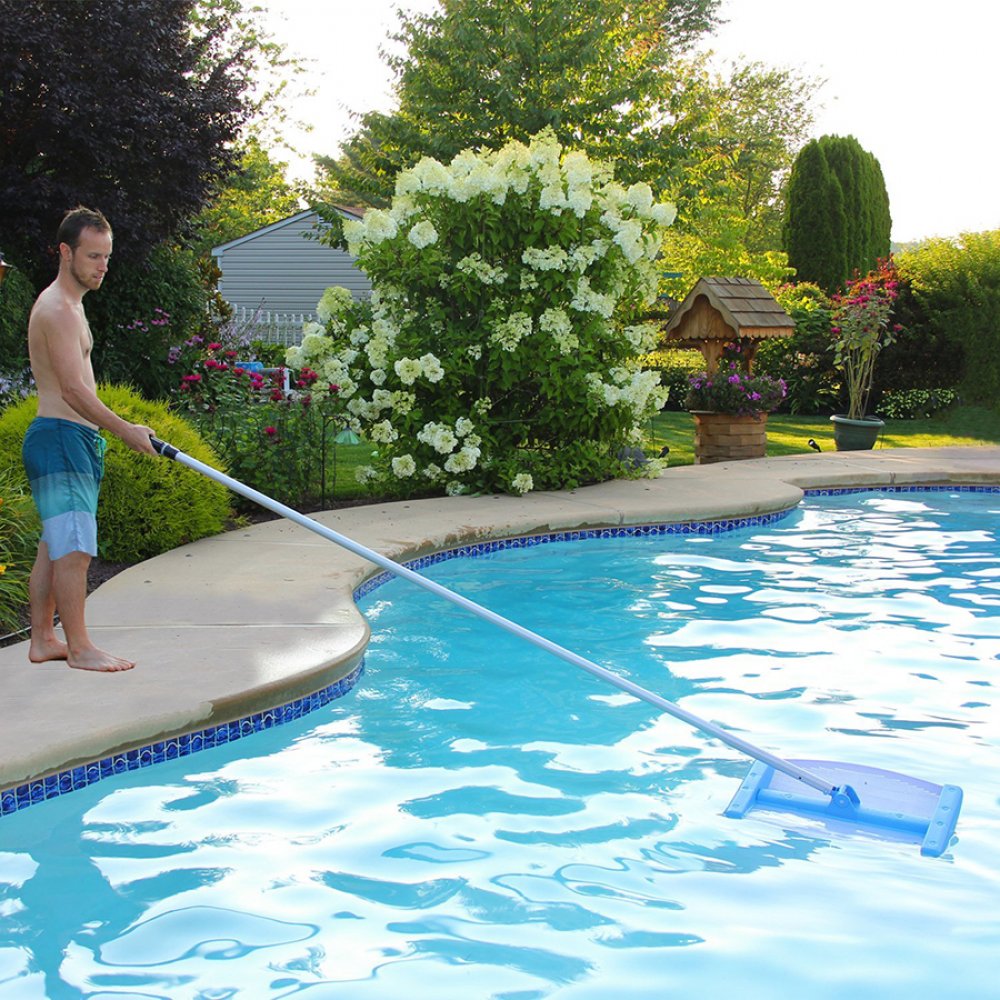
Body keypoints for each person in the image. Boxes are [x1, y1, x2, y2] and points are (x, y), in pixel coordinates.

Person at [22, 207, 156, 671]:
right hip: (62, 436)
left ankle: (43, 638)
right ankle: (79, 647)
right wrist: (127, 431)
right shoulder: (58, 308)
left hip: (67, 438)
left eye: (107, 257)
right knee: (74, 547)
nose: (102, 266)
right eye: (93, 256)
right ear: (65, 252)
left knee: (54, 545)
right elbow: (73, 391)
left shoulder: (70, 305)